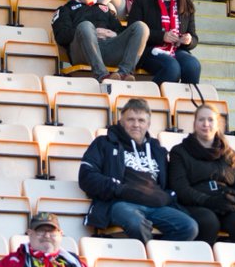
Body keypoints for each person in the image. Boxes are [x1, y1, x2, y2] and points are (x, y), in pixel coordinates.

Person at [79, 98, 198, 243]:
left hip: (156, 205)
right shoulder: (104, 143)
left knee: (189, 227)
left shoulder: (157, 149)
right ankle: (149, 258)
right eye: (131, 120)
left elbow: (170, 183)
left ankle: (157, 257)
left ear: (148, 124)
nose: (136, 125)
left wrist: (167, 196)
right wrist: (120, 189)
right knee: (136, 223)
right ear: (121, 121)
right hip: (121, 203)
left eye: (141, 120)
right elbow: (86, 176)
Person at [167, 104, 235, 246]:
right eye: (201, 120)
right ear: (194, 124)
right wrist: (209, 201)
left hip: (224, 204)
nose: (206, 124)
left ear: (218, 124)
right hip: (194, 204)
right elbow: (180, 188)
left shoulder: (230, 155)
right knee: (209, 221)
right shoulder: (179, 152)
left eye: (210, 120)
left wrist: (234, 198)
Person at [52, 0, 149, 82]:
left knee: (141, 27)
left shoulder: (105, 9)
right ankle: (102, 75)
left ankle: (124, 73)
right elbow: (61, 36)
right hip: (82, 52)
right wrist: (92, 32)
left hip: (108, 49)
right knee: (86, 26)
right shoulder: (65, 10)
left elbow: (119, 31)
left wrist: (114, 34)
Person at [127, 0, 200, 85]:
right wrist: (162, 36)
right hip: (149, 50)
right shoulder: (142, 0)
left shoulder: (186, 5)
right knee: (172, 68)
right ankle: (151, 100)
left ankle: (184, 103)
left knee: (193, 66)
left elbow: (194, 37)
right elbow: (132, 31)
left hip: (176, 50)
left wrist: (188, 40)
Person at [0, 212, 95, 267]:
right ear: (29, 233)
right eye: (40, 231)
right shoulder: (10, 263)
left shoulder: (75, 262)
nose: (47, 235)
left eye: (52, 232)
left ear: (61, 234)